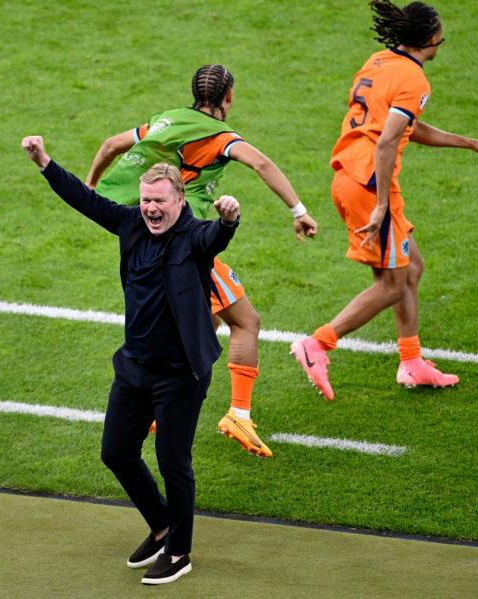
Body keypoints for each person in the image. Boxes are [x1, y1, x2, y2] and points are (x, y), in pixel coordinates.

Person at [23, 135, 239, 585]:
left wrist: (229, 219)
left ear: (179, 200)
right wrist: (45, 162)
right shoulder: (132, 224)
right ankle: (162, 526)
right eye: (146, 201)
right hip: (135, 367)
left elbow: (215, 237)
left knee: (172, 460)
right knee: (116, 452)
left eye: (159, 201)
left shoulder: (194, 234)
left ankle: (179, 552)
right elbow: (85, 199)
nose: (151, 209)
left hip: (181, 374)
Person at [85, 64, 318, 458]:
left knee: (200, 319)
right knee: (246, 322)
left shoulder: (165, 120)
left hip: (149, 240)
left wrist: (91, 187)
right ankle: (239, 413)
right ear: (228, 97)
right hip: (186, 246)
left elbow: (110, 145)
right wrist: (298, 211)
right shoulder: (223, 137)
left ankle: (157, 410)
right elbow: (261, 163)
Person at [290, 0, 478, 399]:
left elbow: (403, 128)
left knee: (412, 268)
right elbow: (387, 140)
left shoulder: (380, 61)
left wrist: (469, 144)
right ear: (430, 39)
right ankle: (317, 344)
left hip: (352, 174)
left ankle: (411, 362)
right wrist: (383, 203)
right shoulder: (416, 81)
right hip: (370, 184)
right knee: (391, 284)